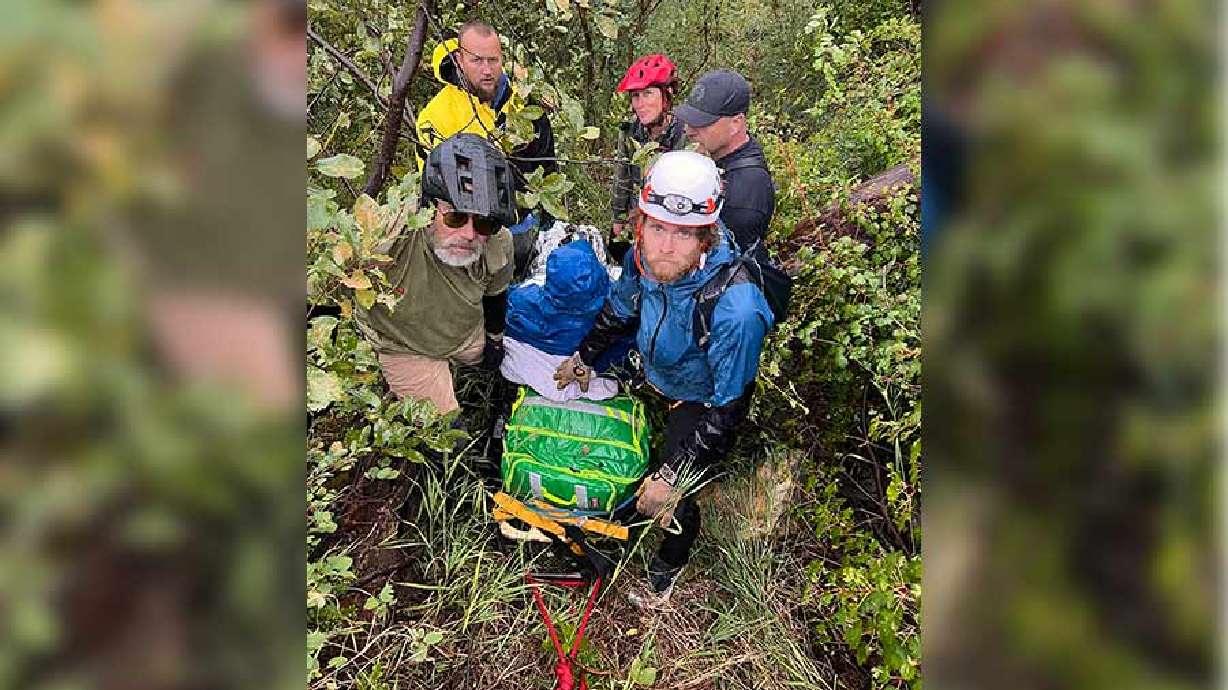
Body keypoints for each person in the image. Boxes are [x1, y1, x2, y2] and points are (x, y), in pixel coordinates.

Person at [553, 151, 774, 605]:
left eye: (684, 233)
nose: (665, 247)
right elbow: (622, 308)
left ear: (707, 235)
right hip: (655, 368)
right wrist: (584, 357)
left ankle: (666, 569)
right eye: (656, 227)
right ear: (642, 222)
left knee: (674, 504)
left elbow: (728, 410)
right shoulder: (644, 255)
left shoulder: (737, 309)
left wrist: (673, 476)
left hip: (699, 396)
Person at [356, 133, 518, 415]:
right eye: (455, 217)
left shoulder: (497, 240)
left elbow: (496, 294)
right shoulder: (388, 236)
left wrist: (494, 340)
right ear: (429, 209)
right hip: (406, 345)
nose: (468, 234)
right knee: (447, 434)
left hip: (462, 332)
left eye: (483, 222)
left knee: (507, 360)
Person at [674, 69, 775, 259]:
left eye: (702, 122)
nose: (688, 130)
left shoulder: (745, 193)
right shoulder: (725, 155)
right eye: (689, 121)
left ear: (736, 123)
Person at [610, 54, 688, 246]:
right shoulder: (630, 132)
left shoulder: (685, 135)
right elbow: (623, 177)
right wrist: (618, 218)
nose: (641, 103)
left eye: (648, 94)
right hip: (637, 218)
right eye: (636, 96)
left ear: (666, 95)